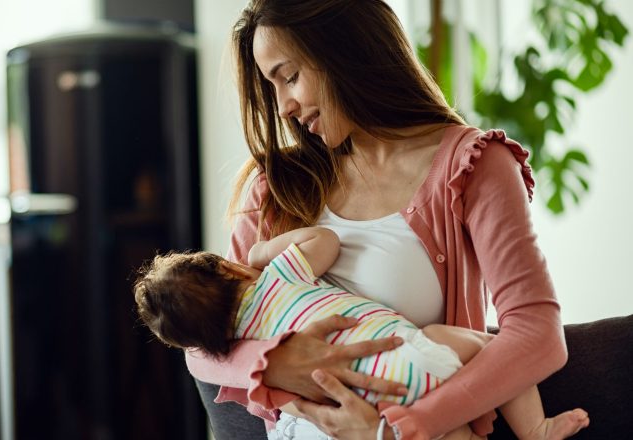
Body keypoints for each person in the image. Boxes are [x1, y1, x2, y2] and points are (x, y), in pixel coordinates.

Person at [187, 0, 576, 439]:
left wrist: (396, 431)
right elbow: (200, 346)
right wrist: (277, 362)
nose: (283, 108)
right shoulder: (275, 186)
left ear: (345, 49)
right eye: (272, 86)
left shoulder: (472, 167)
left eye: (290, 77)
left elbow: (537, 333)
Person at [135, 226, 589, 440]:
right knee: (489, 346)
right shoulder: (276, 276)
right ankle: (535, 429)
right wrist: (265, 249)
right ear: (230, 268)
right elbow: (326, 243)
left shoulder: (245, 355)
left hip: (365, 407)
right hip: (411, 355)